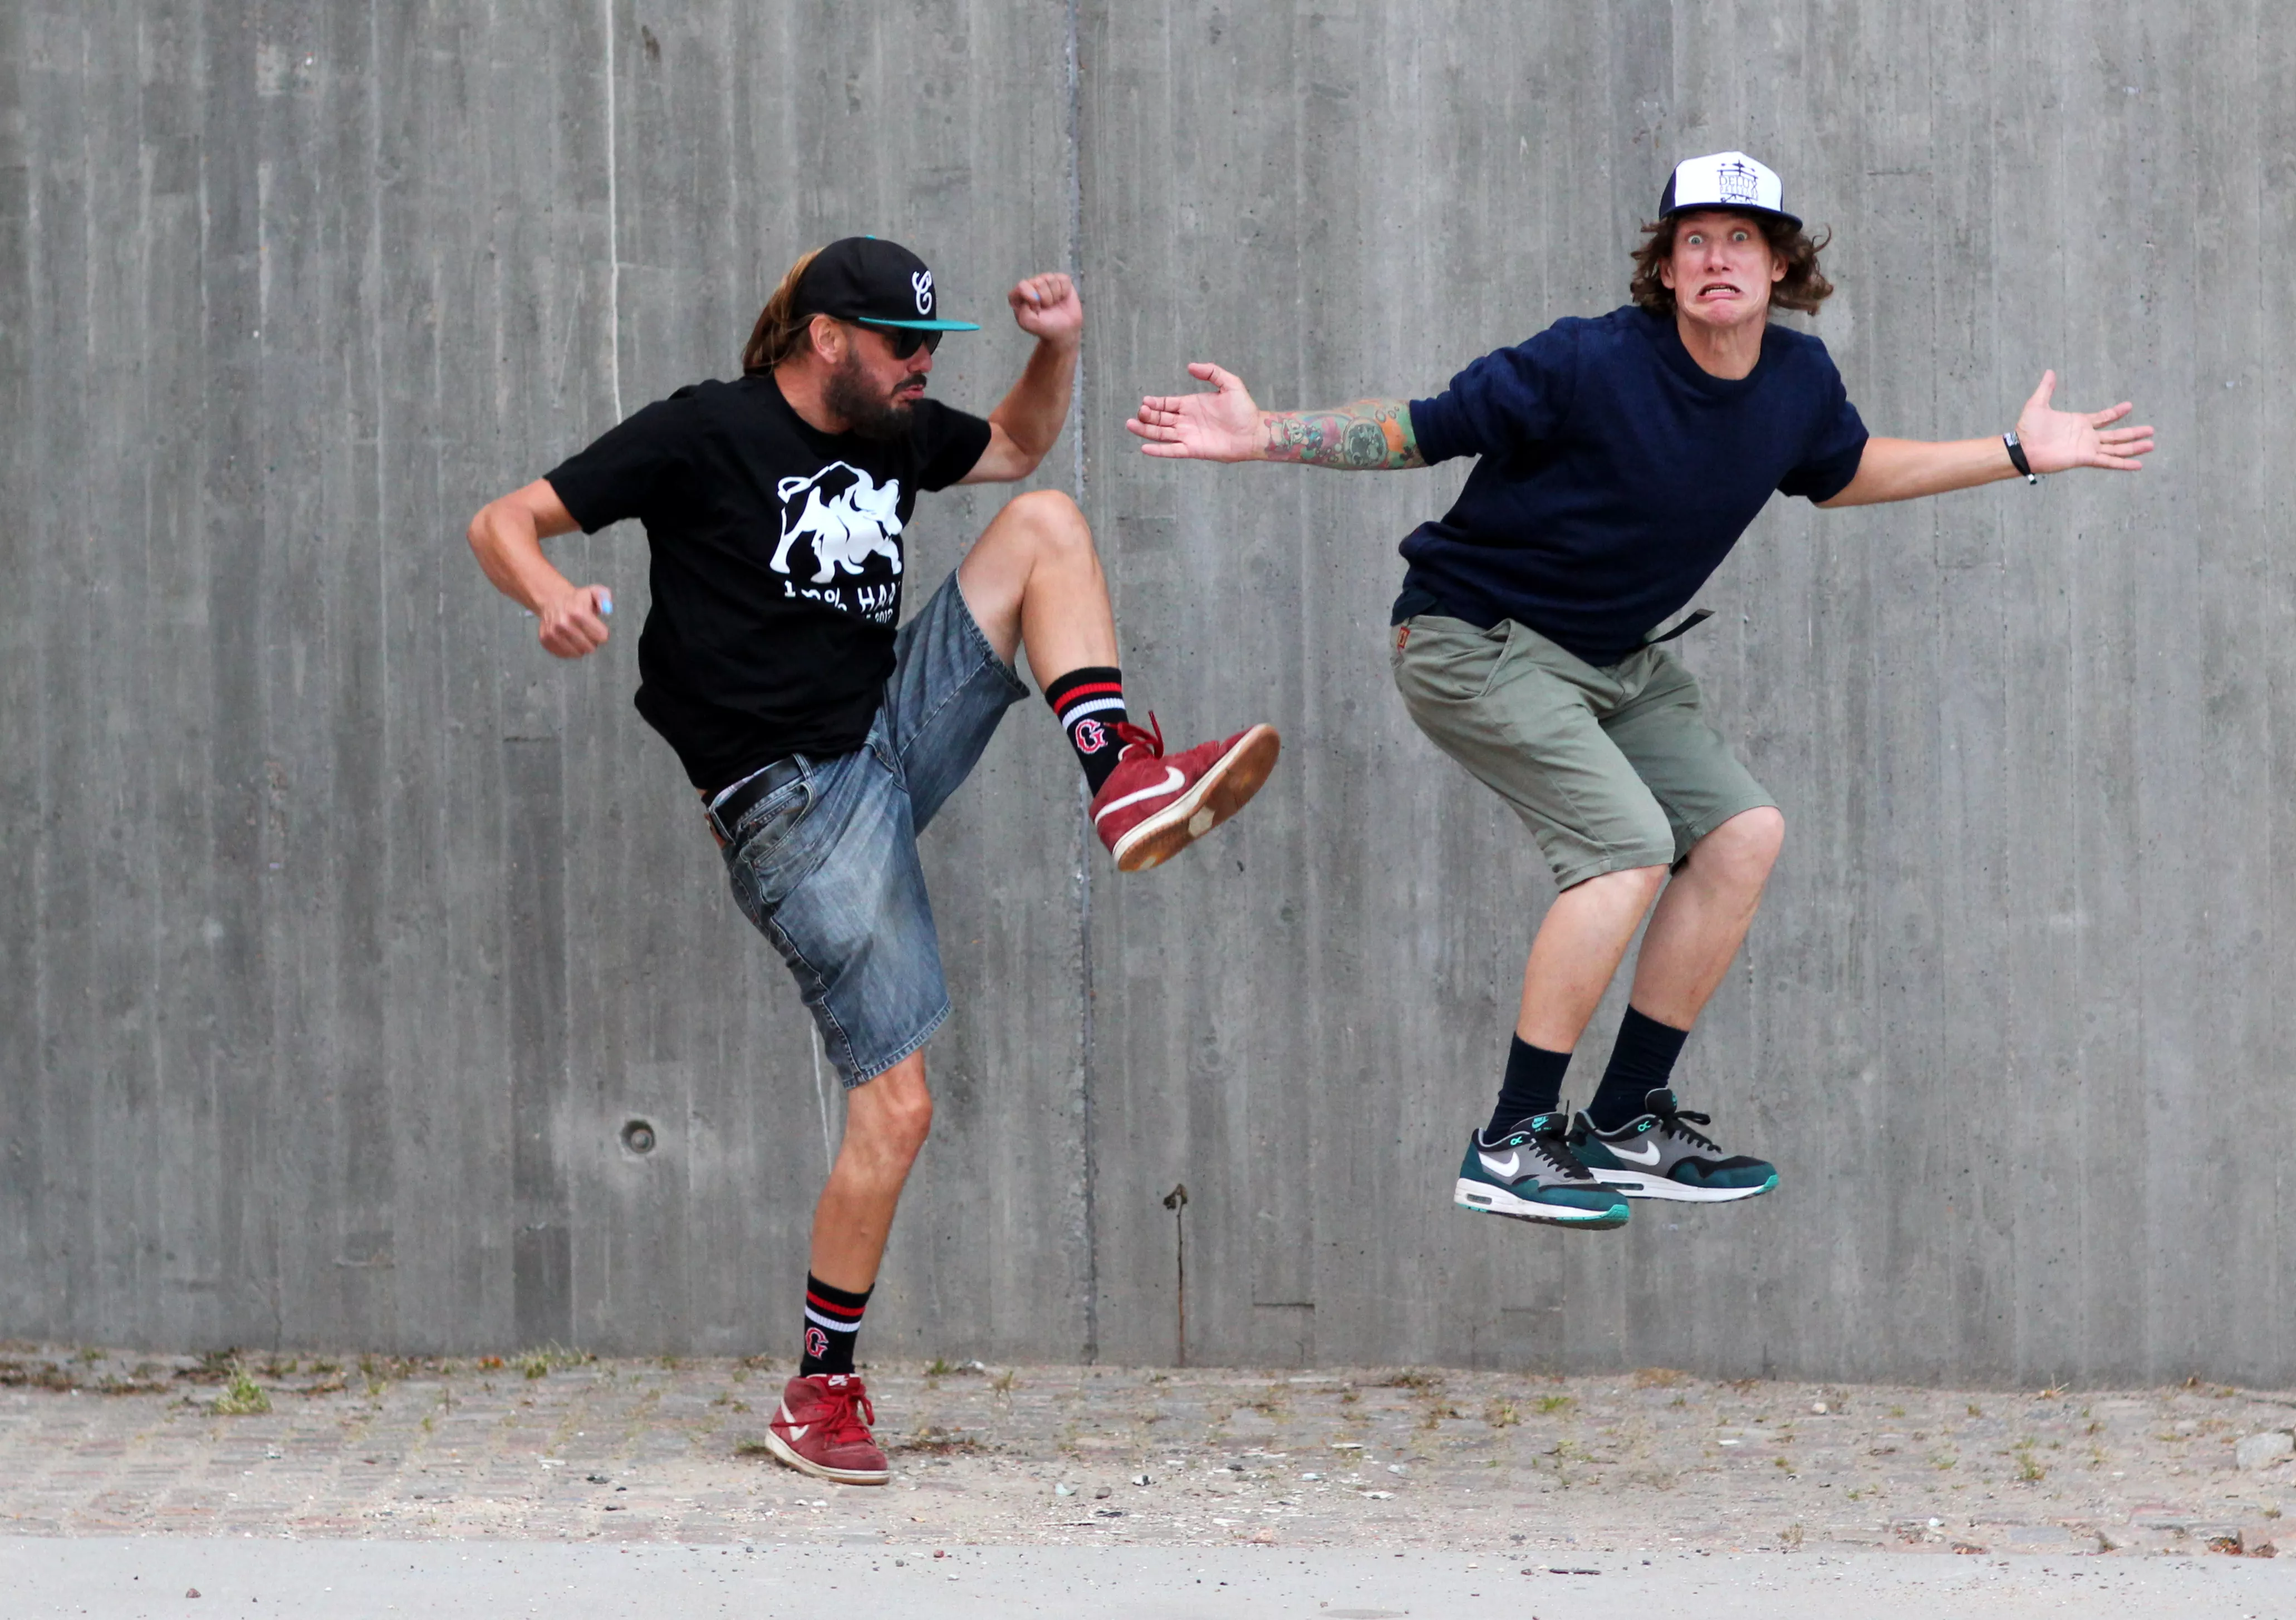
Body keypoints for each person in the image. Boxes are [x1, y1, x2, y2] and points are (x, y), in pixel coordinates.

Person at [1129, 151, 2151, 1229]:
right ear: (1664, 271)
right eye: (1693, 241)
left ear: (1780, 264)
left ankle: (1623, 1123)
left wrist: (2015, 453)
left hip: (1614, 657)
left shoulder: (1798, 384)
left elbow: (1845, 474)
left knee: (1745, 833)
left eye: (1741, 240)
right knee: (1623, 850)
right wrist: (1267, 435)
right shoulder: (1585, 363)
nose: (1717, 258)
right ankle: (1513, 1141)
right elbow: (1420, 428)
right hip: (1473, 637)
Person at [467, 236, 1279, 1484]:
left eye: (931, 349)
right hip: (789, 803)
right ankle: (820, 1388)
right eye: (903, 348)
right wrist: (547, 593)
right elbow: (504, 518)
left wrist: (1052, 348)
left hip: (884, 733)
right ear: (824, 338)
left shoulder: (895, 426)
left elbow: (1014, 446)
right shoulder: (705, 433)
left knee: (1043, 522)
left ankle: (1119, 776)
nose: (919, 370)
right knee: (896, 1108)